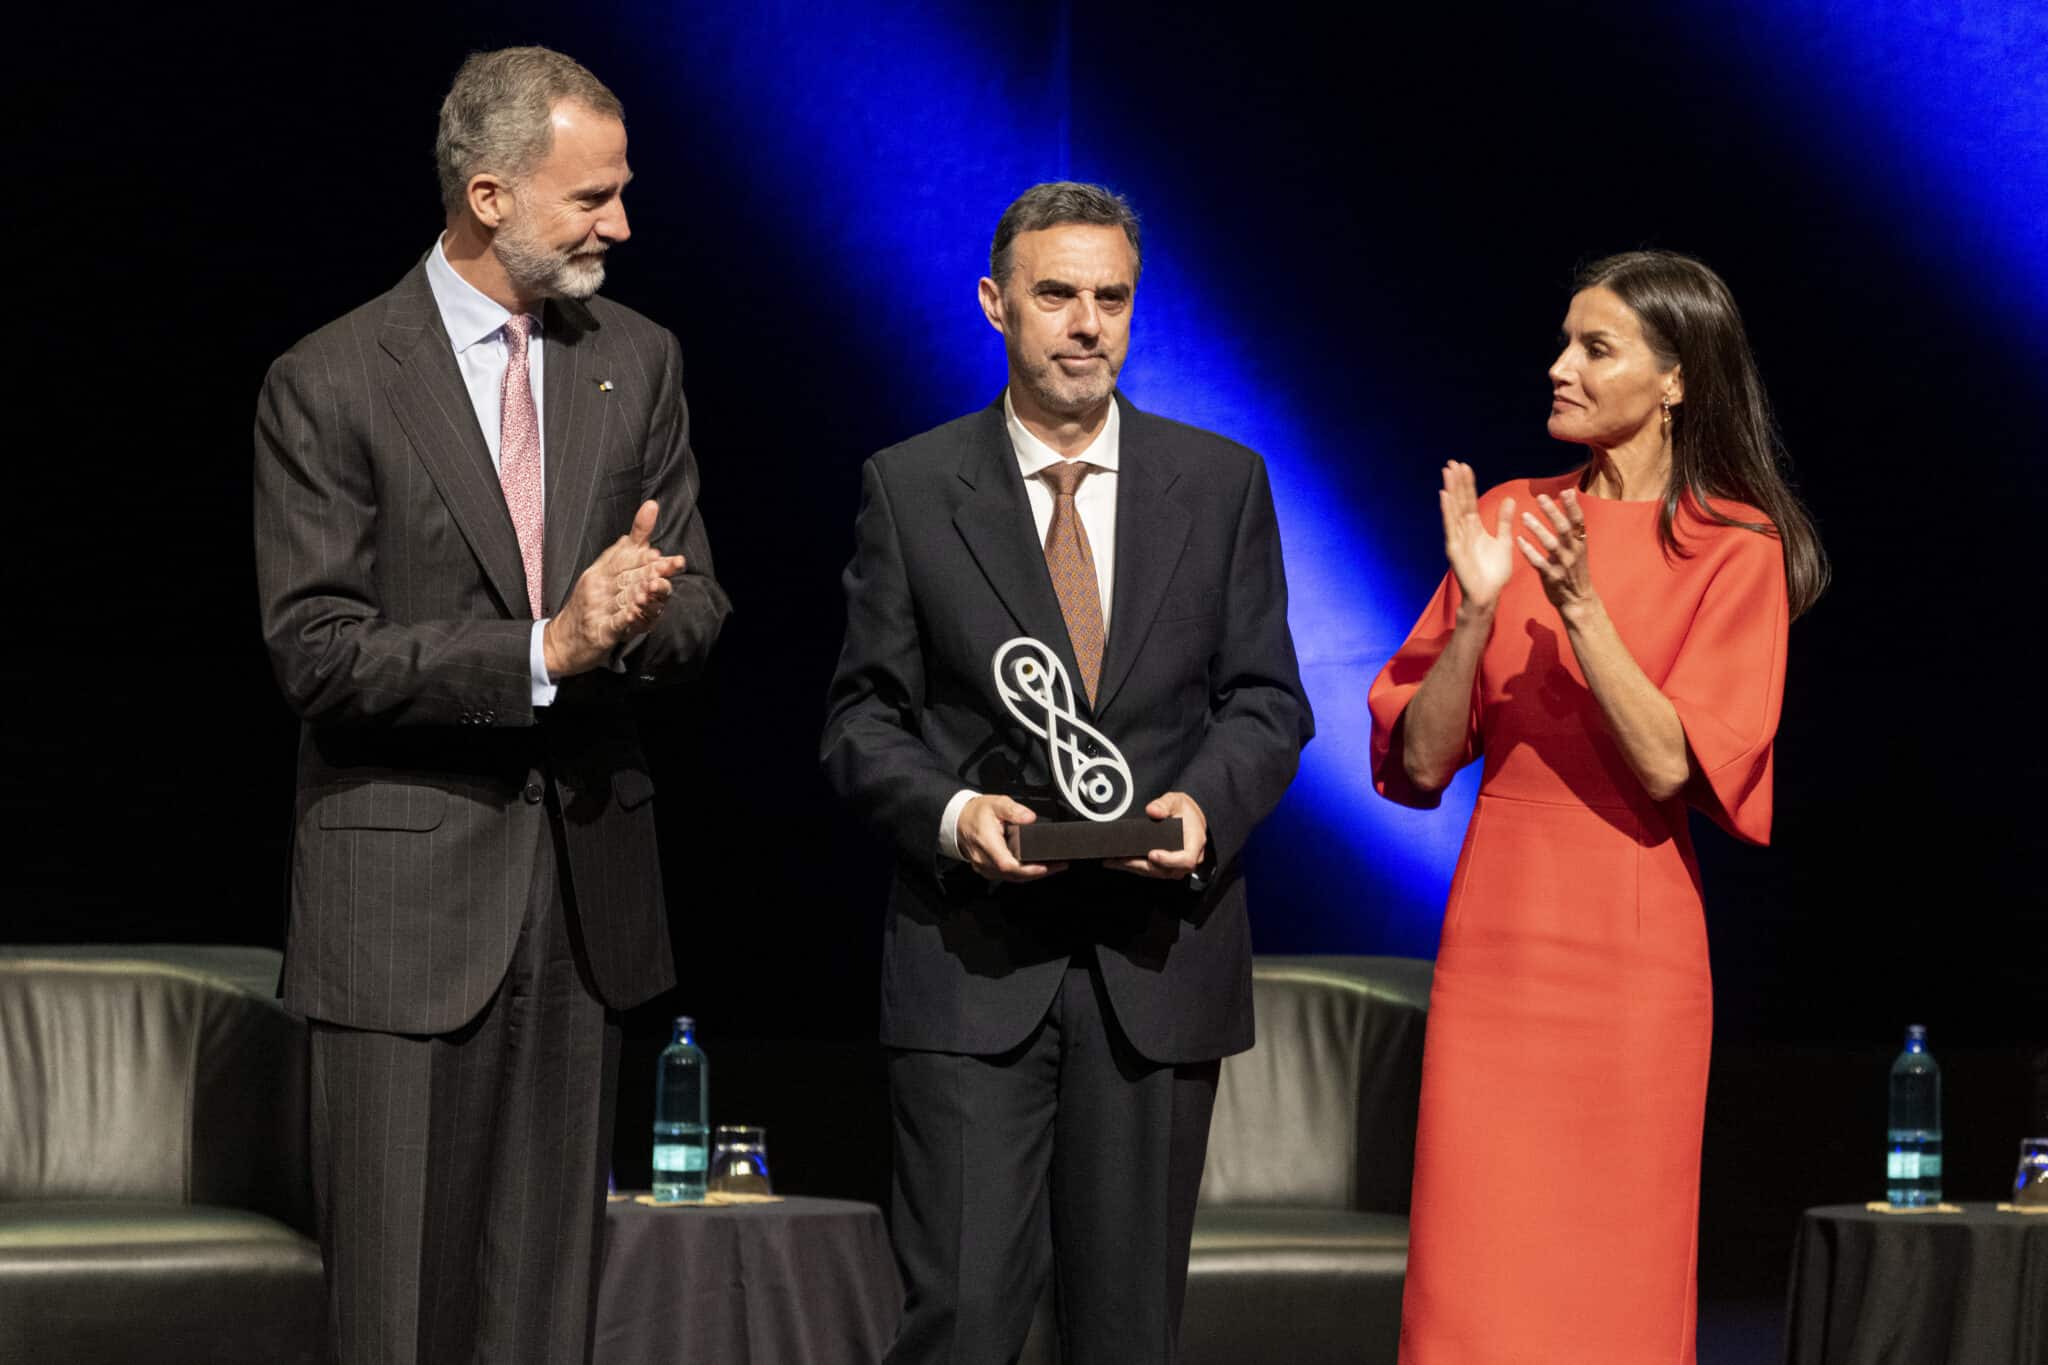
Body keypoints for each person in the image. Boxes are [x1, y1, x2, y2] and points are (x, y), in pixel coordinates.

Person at [252, 47, 730, 1365]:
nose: (620, 225)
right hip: (404, 912)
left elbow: (695, 601)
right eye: (590, 199)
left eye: (621, 193)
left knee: (544, 1315)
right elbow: (319, 650)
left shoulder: (635, 359)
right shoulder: (333, 379)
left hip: (582, 901)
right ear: (489, 195)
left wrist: (632, 624)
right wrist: (543, 647)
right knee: (399, 1313)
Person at [821, 181, 1313, 1365]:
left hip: (1155, 965)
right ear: (996, 304)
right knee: (963, 1319)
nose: (1086, 323)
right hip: (971, 963)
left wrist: (1199, 806)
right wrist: (953, 813)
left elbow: (1265, 700)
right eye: (1056, 296)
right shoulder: (909, 486)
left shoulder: (1220, 481)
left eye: (1112, 298)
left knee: (1127, 1331)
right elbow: (859, 721)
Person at [1368, 249, 1827, 1362]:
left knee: (1608, 1280)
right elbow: (1419, 765)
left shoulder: (1736, 546)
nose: (1558, 366)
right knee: (1470, 1275)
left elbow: (1672, 766)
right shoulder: (1511, 515)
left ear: (1674, 379)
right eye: (1564, 341)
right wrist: (1474, 615)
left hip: (1629, 957)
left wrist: (1579, 608)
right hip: (1495, 945)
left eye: (1594, 347)